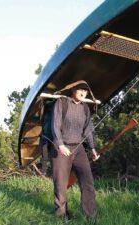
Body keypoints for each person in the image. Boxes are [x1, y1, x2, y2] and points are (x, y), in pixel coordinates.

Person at [50, 80, 100, 222]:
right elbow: (55, 124)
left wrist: (93, 148)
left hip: (79, 149)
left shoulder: (85, 108)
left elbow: (88, 130)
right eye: (80, 90)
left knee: (87, 181)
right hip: (61, 149)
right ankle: (61, 216)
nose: (83, 92)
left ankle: (91, 216)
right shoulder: (62, 103)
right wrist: (60, 144)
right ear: (73, 90)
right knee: (61, 184)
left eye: (86, 91)